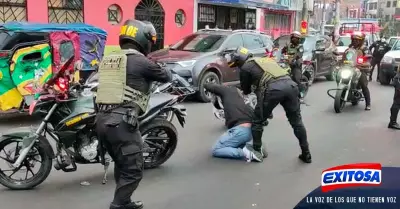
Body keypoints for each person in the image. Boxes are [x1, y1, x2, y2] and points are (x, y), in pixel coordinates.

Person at [95, 19, 172, 209]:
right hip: (121, 123)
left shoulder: (110, 58)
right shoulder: (141, 61)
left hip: (101, 121)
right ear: (143, 39)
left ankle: (125, 201)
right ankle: (119, 204)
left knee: (122, 163)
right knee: (134, 168)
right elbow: (166, 76)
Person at [228, 46, 312, 163]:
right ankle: (306, 153)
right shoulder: (266, 59)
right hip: (291, 86)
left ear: (240, 60)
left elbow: (246, 90)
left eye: (237, 64)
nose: (238, 67)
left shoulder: (246, 67)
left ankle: (257, 151)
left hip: (273, 89)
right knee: (297, 122)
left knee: (257, 121)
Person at [205, 83, 266, 162]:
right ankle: (256, 148)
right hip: (251, 132)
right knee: (233, 143)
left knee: (216, 149)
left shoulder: (226, 91)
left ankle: (247, 153)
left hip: (240, 130)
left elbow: (208, 85)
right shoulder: (241, 100)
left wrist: (209, 85)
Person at [344, 32, 371, 110]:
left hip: (359, 69)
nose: (355, 41)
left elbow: (368, 60)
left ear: (361, 40)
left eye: (357, 40)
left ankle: (368, 104)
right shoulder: (349, 48)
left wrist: (364, 63)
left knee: (363, 84)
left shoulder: (364, 49)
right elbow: (344, 57)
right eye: (354, 39)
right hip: (348, 68)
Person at [281, 31, 305, 101]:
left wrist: (293, 60)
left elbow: (298, 55)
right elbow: (282, 51)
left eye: (296, 38)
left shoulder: (300, 47)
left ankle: (301, 94)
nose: (294, 39)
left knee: (297, 79)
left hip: (296, 65)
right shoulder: (288, 45)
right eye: (293, 38)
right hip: (287, 64)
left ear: (298, 39)